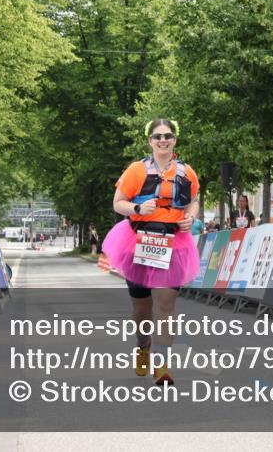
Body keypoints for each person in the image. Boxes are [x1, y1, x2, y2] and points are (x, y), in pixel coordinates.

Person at [102, 119, 200, 386]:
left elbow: (193, 202)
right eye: (157, 136)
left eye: (168, 136)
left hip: (174, 243)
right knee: (141, 310)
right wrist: (136, 209)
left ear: (175, 140)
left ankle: (163, 366)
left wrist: (190, 217)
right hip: (138, 242)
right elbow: (118, 203)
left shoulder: (186, 172)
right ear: (150, 141)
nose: (163, 140)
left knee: (166, 305)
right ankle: (143, 345)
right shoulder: (136, 170)